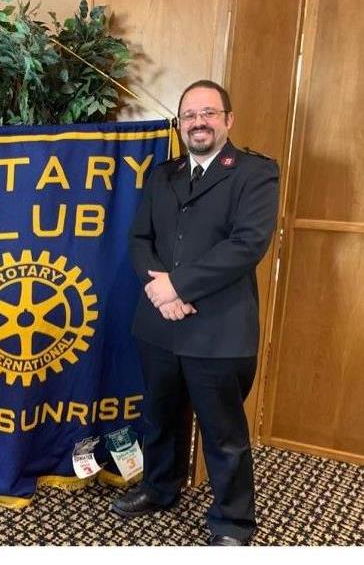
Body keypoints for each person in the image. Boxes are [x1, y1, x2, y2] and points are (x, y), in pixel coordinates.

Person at [111, 80, 279, 546]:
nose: (198, 122)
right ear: (180, 123)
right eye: (189, 115)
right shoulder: (163, 174)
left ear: (228, 119)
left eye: (208, 113)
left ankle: (233, 522)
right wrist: (161, 291)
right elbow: (139, 240)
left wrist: (178, 286)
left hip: (218, 329)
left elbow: (247, 245)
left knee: (223, 432)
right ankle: (159, 488)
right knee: (159, 416)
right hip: (159, 324)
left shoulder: (255, 174)